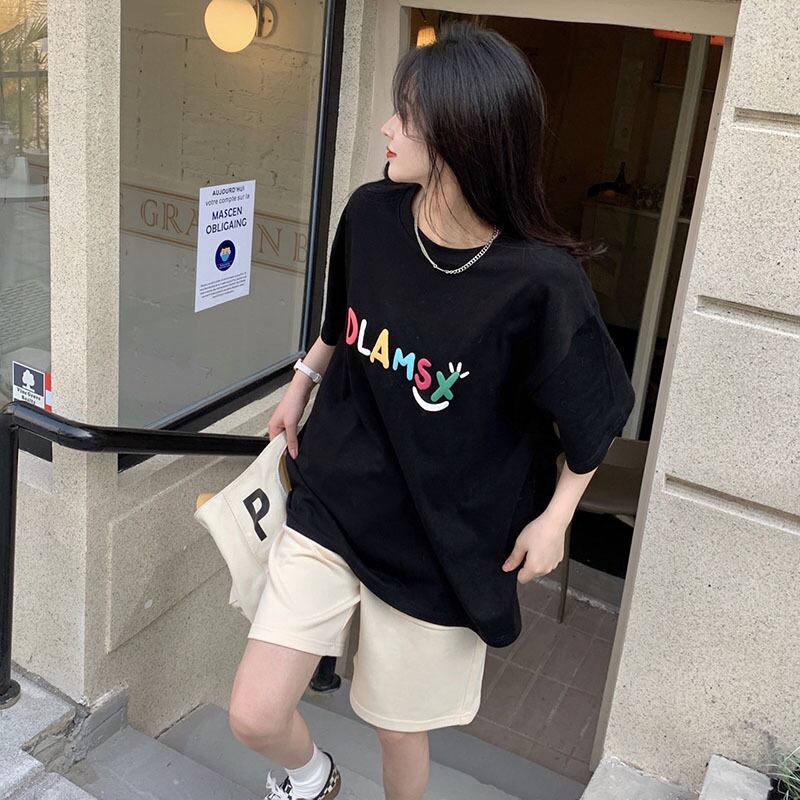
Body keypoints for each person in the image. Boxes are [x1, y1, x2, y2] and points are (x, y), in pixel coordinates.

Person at [228, 19, 635, 800]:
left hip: (445, 541)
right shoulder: (372, 214)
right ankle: (311, 777)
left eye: (405, 116)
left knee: (398, 731)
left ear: (459, 137)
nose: (387, 127)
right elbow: (342, 319)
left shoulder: (539, 284)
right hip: (336, 498)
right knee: (254, 712)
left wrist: (556, 520)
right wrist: (303, 380)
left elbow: (596, 413)